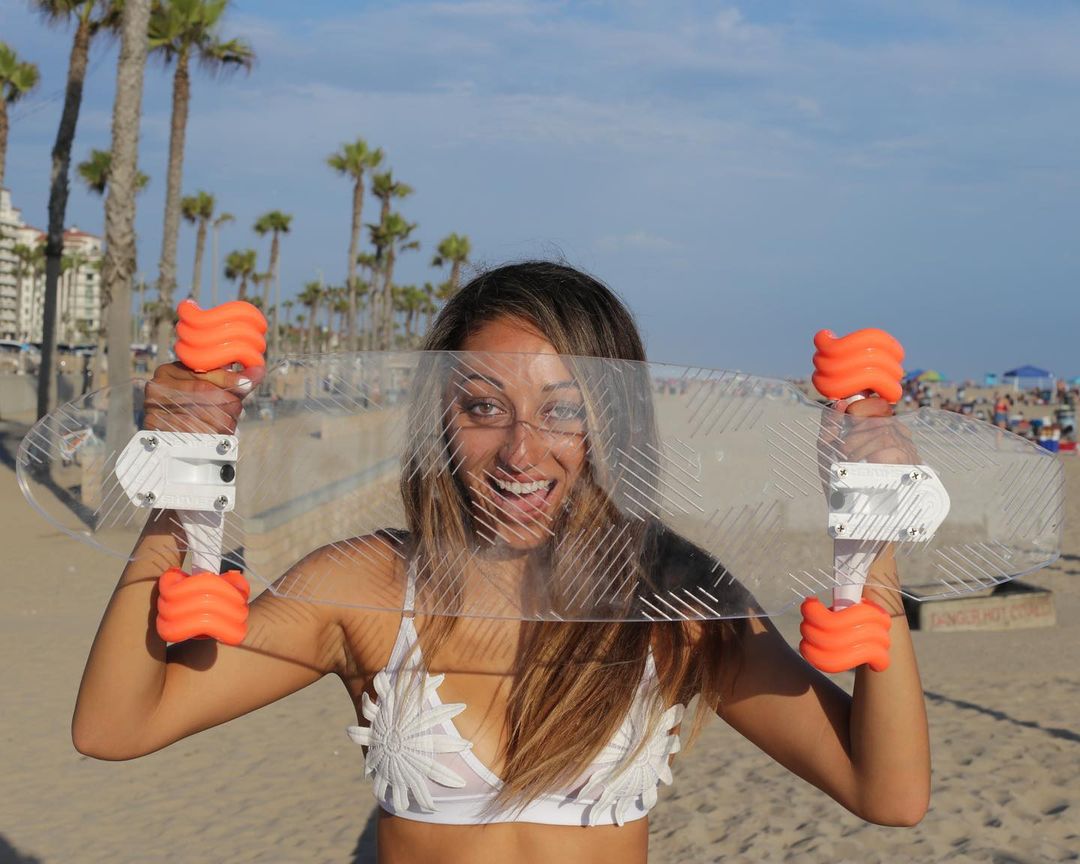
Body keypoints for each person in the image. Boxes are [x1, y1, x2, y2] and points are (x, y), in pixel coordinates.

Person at [72, 261, 930, 863]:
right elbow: (116, 727)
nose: (521, 452)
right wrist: (184, 482)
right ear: (440, 418)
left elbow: (887, 794)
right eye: (484, 407)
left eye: (563, 411)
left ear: (615, 423)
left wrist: (871, 534)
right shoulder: (365, 586)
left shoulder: (673, 598)